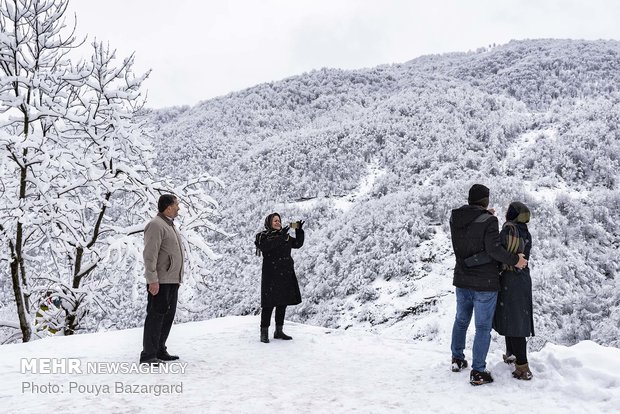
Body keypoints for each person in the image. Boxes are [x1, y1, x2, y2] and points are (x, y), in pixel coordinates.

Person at [449, 184, 528, 385]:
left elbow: (470, 234)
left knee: (461, 320)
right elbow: (493, 250)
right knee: (482, 327)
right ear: (485, 200)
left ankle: (457, 358)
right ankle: (478, 371)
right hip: (484, 283)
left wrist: (485, 216)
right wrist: (515, 260)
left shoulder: (455, 218)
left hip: (462, 279)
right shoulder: (489, 220)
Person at [139, 194, 184, 365]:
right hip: (160, 281)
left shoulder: (169, 225)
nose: (178, 208)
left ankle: (159, 349)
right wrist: (152, 280)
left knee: (167, 316)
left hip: (171, 280)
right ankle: (148, 355)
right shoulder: (156, 225)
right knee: (156, 316)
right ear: (168, 206)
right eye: (176, 205)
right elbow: (149, 255)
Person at [493, 201, 534, 380]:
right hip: (523, 278)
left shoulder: (507, 230)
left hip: (510, 279)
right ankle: (512, 355)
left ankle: (523, 368)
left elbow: (498, 252)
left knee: (514, 320)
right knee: (515, 317)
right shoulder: (525, 232)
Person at [254, 213, 304, 343]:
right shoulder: (262, 237)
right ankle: (264, 333)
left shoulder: (285, 236)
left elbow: (298, 244)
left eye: (279, 220)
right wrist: (281, 236)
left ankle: (279, 331)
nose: (278, 222)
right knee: (268, 304)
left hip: (285, 273)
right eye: (275, 221)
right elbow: (267, 247)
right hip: (271, 274)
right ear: (269, 223)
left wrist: (299, 230)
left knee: (282, 302)